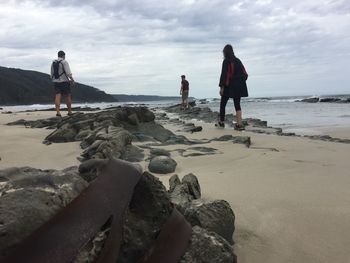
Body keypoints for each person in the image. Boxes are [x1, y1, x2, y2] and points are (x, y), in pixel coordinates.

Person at [216, 44, 248, 130]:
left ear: (225, 52)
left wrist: (221, 88)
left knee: (223, 104)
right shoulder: (238, 61)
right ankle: (239, 124)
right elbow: (245, 75)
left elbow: (224, 75)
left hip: (228, 86)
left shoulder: (226, 61)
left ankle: (221, 122)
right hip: (238, 86)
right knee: (237, 105)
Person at [50, 50, 75, 117]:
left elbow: (51, 73)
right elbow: (68, 73)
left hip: (56, 82)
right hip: (64, 82)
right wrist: (72, 80)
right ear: (63, 55)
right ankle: (69, 112)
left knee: (57, 96)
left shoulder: (53, 63)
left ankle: (58, 112)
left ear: (58, 55)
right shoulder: (64, 62)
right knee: (68, 96)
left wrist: (54, 80)